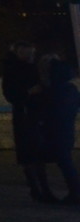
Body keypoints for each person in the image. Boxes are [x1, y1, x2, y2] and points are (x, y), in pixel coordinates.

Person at [2, 42, 56, 202]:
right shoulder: (13, 71)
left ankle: (43, 189)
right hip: (24, 116)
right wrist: (28, 93)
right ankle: (36, 188)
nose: (31, 56)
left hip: (35, 115)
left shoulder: (35, 69)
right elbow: (10, 95)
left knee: (37, 154)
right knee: (29, 155)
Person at [41, 51, 80, 204]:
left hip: (55, 129)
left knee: (63, 161)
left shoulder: (52, 90)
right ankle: (74, 191)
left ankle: (75, 191)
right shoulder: (70, 89)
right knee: (65, 161)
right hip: (66, 129)